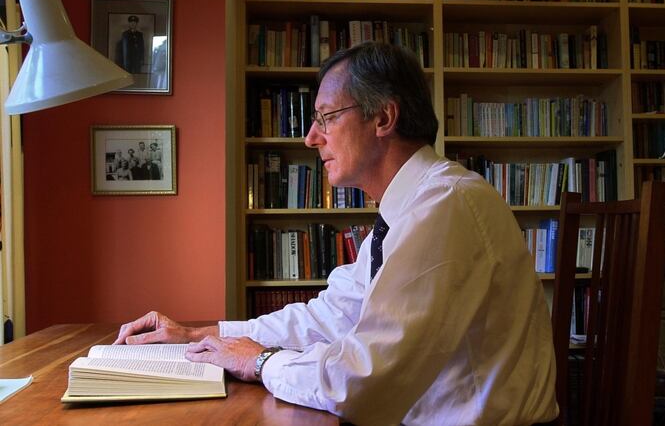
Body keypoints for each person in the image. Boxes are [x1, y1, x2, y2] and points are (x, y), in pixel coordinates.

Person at [114, 42, 558, 425]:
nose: (311, 138)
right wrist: (200, 336)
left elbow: (360, 382)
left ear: (383, 117)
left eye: (325, 117)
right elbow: (330, 316)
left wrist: (260, 360)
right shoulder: (409, 210)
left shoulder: (444, 206)